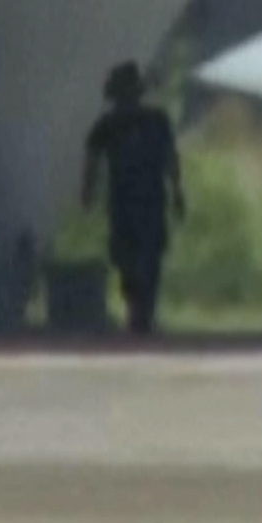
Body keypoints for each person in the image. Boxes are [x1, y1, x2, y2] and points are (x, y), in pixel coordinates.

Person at [82, 61, 185, 335]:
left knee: (136, 256)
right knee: (137, 256)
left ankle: (140, 312)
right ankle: (141, 312)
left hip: (131, 199)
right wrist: (177, 192)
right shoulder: (148, 121)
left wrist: (88, 194)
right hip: (142, 199)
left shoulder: (113, 124)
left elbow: (92, 163)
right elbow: (171, 160)